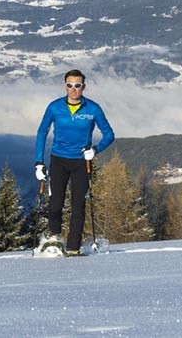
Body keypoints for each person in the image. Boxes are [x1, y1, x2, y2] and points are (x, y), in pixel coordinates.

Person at [34, 69, 114, 256]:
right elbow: (42, 132)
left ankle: (73, 247)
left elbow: (109, 134)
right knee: (55, 203)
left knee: (78, 206)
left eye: (77, 85)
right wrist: (38, 162)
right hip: (58, 160)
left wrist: (95, 150)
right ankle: (54, 240)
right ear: (65, 86)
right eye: (70, 85)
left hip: (81, 163)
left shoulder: (93, 109)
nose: (73, 89)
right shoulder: (54, 107)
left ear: (83, 87)